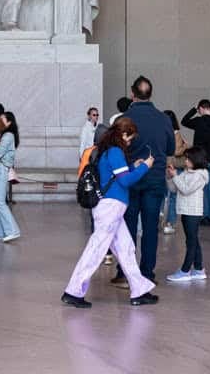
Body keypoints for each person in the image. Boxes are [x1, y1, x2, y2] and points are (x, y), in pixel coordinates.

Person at [61, 117, 159, 308]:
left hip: (109, 207)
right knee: (97, 249)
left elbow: (117, 175)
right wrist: (145, 167)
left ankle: (139, 290)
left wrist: (134, 167)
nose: (129, 142)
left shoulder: (107, 151)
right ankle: (73, 291)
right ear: (123, 134)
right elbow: (125, 181)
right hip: (111, 207)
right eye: (129, 138)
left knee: (126, 249)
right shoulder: (115, 152)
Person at [115, 76, 175, 286]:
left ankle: (124, 272)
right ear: (150, 94)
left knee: (127, 227)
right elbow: (170, 149)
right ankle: (147, 272)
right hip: (154, 179)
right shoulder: (163, 119)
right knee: (150, 228)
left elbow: (116, 149)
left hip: (130, 179)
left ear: (133, 94)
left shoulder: (124, 119)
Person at [165, 147, 210, 283]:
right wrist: (170, 177)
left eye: (188, 158)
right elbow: (174, 189)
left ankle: (185, 271)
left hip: (193, 211)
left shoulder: (200, 175)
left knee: (191, 241)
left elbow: (185, 189)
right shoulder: (186, 172)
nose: (185, 161)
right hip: (184, 210)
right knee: (193, 240)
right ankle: (198, 268)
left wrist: (175, 177)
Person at [181, 98, 210, 226]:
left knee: (201, 189)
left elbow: (184, 121)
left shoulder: (199, 121)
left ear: (201, 109)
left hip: (200, 159)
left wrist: (194, 109)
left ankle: (203, 215)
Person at [0, 112, 21, 242]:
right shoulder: (2, 135)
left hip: (1, 169)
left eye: (2, 120)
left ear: (9, 123)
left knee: (0, 202)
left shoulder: (8, 135)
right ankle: (0, 232)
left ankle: (13, 230)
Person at [161, 109, 187, 235]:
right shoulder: (175, 133)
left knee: (161, 195)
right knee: (172, 197)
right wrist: (185, 146)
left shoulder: (159, 132)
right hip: (173, 167)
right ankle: (169, 223)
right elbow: (176, 152)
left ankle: (159, 219)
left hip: (161, 165)